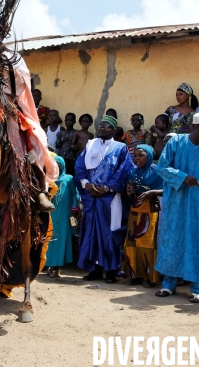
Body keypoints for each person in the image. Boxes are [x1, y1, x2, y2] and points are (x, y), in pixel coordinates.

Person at [154, 111, 199, 303]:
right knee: (173, 239)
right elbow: (162, 167)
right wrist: (183, 177)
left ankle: (197, 287)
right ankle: (168, 284)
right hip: (176, 203)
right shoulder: (176, 143)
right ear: (196, 127)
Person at [74, 115, 134, 283]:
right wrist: (86, 184)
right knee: (90, 232)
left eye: (106, 127)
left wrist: (107, 188)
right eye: (101, 126)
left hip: (110, 198)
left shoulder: (120, 148)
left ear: (114, 130)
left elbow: (124, 170)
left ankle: (111, 271)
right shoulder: (90, 145)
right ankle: (94, 270)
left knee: (110, 233)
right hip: (91, 197)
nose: (102, 129)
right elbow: (79, 166)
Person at [123, 145, 163, 287]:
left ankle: (148, 277)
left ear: (149, 156)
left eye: (141, 155)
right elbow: (129, 192)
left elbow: (167, 190)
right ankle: (134, 275)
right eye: (135, 156)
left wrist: (151, 192)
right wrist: (130, 190)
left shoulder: (157, 171)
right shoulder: (133, 172)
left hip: (150, 211)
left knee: (148, 244)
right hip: (135, 210)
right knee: (131, 242)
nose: (137, 158)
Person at [44, 156, 79, 278]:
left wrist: (75, 207)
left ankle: (56, 266)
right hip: (51, 213)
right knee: (50, 238)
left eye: (59, 163)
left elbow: (75, 194)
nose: (57, 166)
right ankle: (48, 264)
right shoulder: (48, 179)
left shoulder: (69, 179)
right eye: (54, 163)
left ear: (63, 165)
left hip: (64, 214)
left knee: (61, 238)